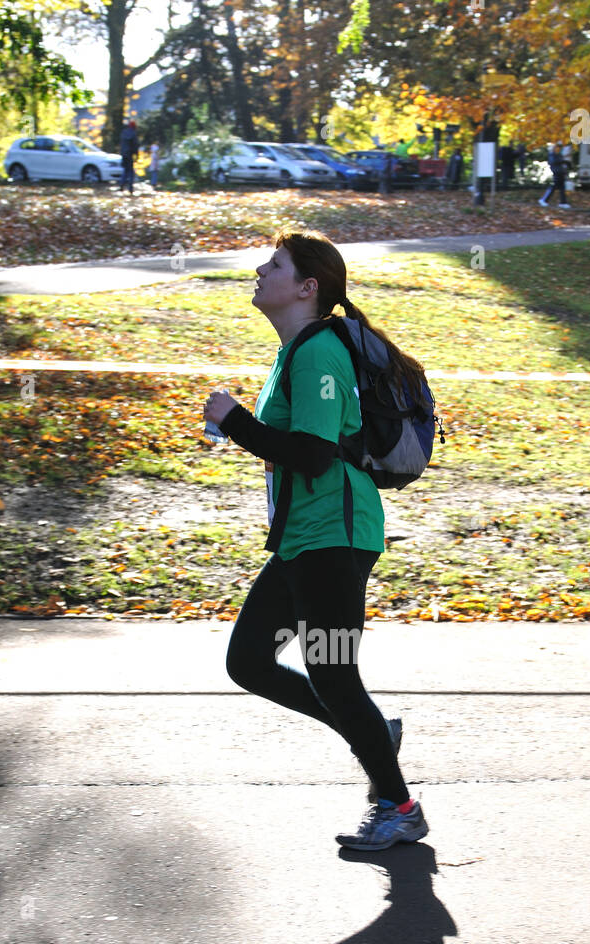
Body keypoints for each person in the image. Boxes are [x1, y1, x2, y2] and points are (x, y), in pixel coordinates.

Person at [202, 230, 428, 851]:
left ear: (307, 287)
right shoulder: (294, 350)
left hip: (336, 531)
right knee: (248, 662)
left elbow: (314, 453)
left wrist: (235, 421)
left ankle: (398, 804)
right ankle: (375, 733)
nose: (259, 270)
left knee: (332, 671)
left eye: (273, 264)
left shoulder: (319, 352)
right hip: (303, 536)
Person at [539, 141, 570, 209]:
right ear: (554, 147)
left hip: (561, 172)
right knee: (554, 186)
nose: (558, 148)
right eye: (557, 147)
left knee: (562, 188)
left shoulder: (558, 155)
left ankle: (563, 202)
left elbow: (561, 163)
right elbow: (554, 162)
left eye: (559, 147)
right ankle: (543, 200)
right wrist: (564, 161)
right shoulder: (552, 154)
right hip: (556, 172)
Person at [119, 119, 138, 194]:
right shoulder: (133, 133)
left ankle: (122, 184)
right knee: (130, 171)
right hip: (130, 154)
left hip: (124, 154)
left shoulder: (124, 132)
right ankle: (130, 187)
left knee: (125, 170)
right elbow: (135, 145)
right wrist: (136, 155)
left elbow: (121, 144)